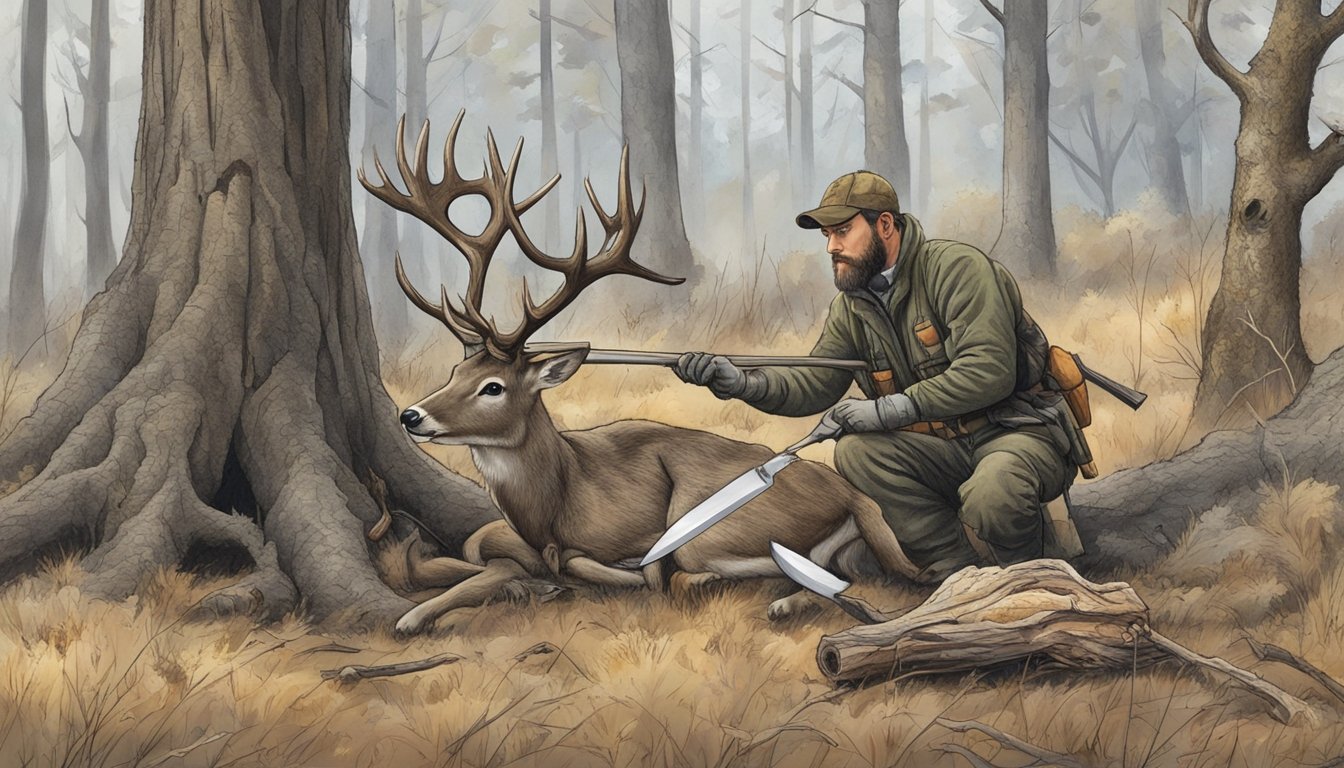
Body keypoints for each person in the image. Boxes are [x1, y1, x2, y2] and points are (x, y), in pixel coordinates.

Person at [675, 171, 1087, 580]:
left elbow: (988, 370)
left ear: (885, 224)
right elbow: (817, 383)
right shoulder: (854, 305)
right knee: (857, 452)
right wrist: (742, 383)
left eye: (842, 232)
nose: (832, 247)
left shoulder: (958, 269)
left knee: (992, 494)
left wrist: (891, 409)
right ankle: (952, 570)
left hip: (1016, 434)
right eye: (827, 237)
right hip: (940, 451)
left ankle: (1030, 579)